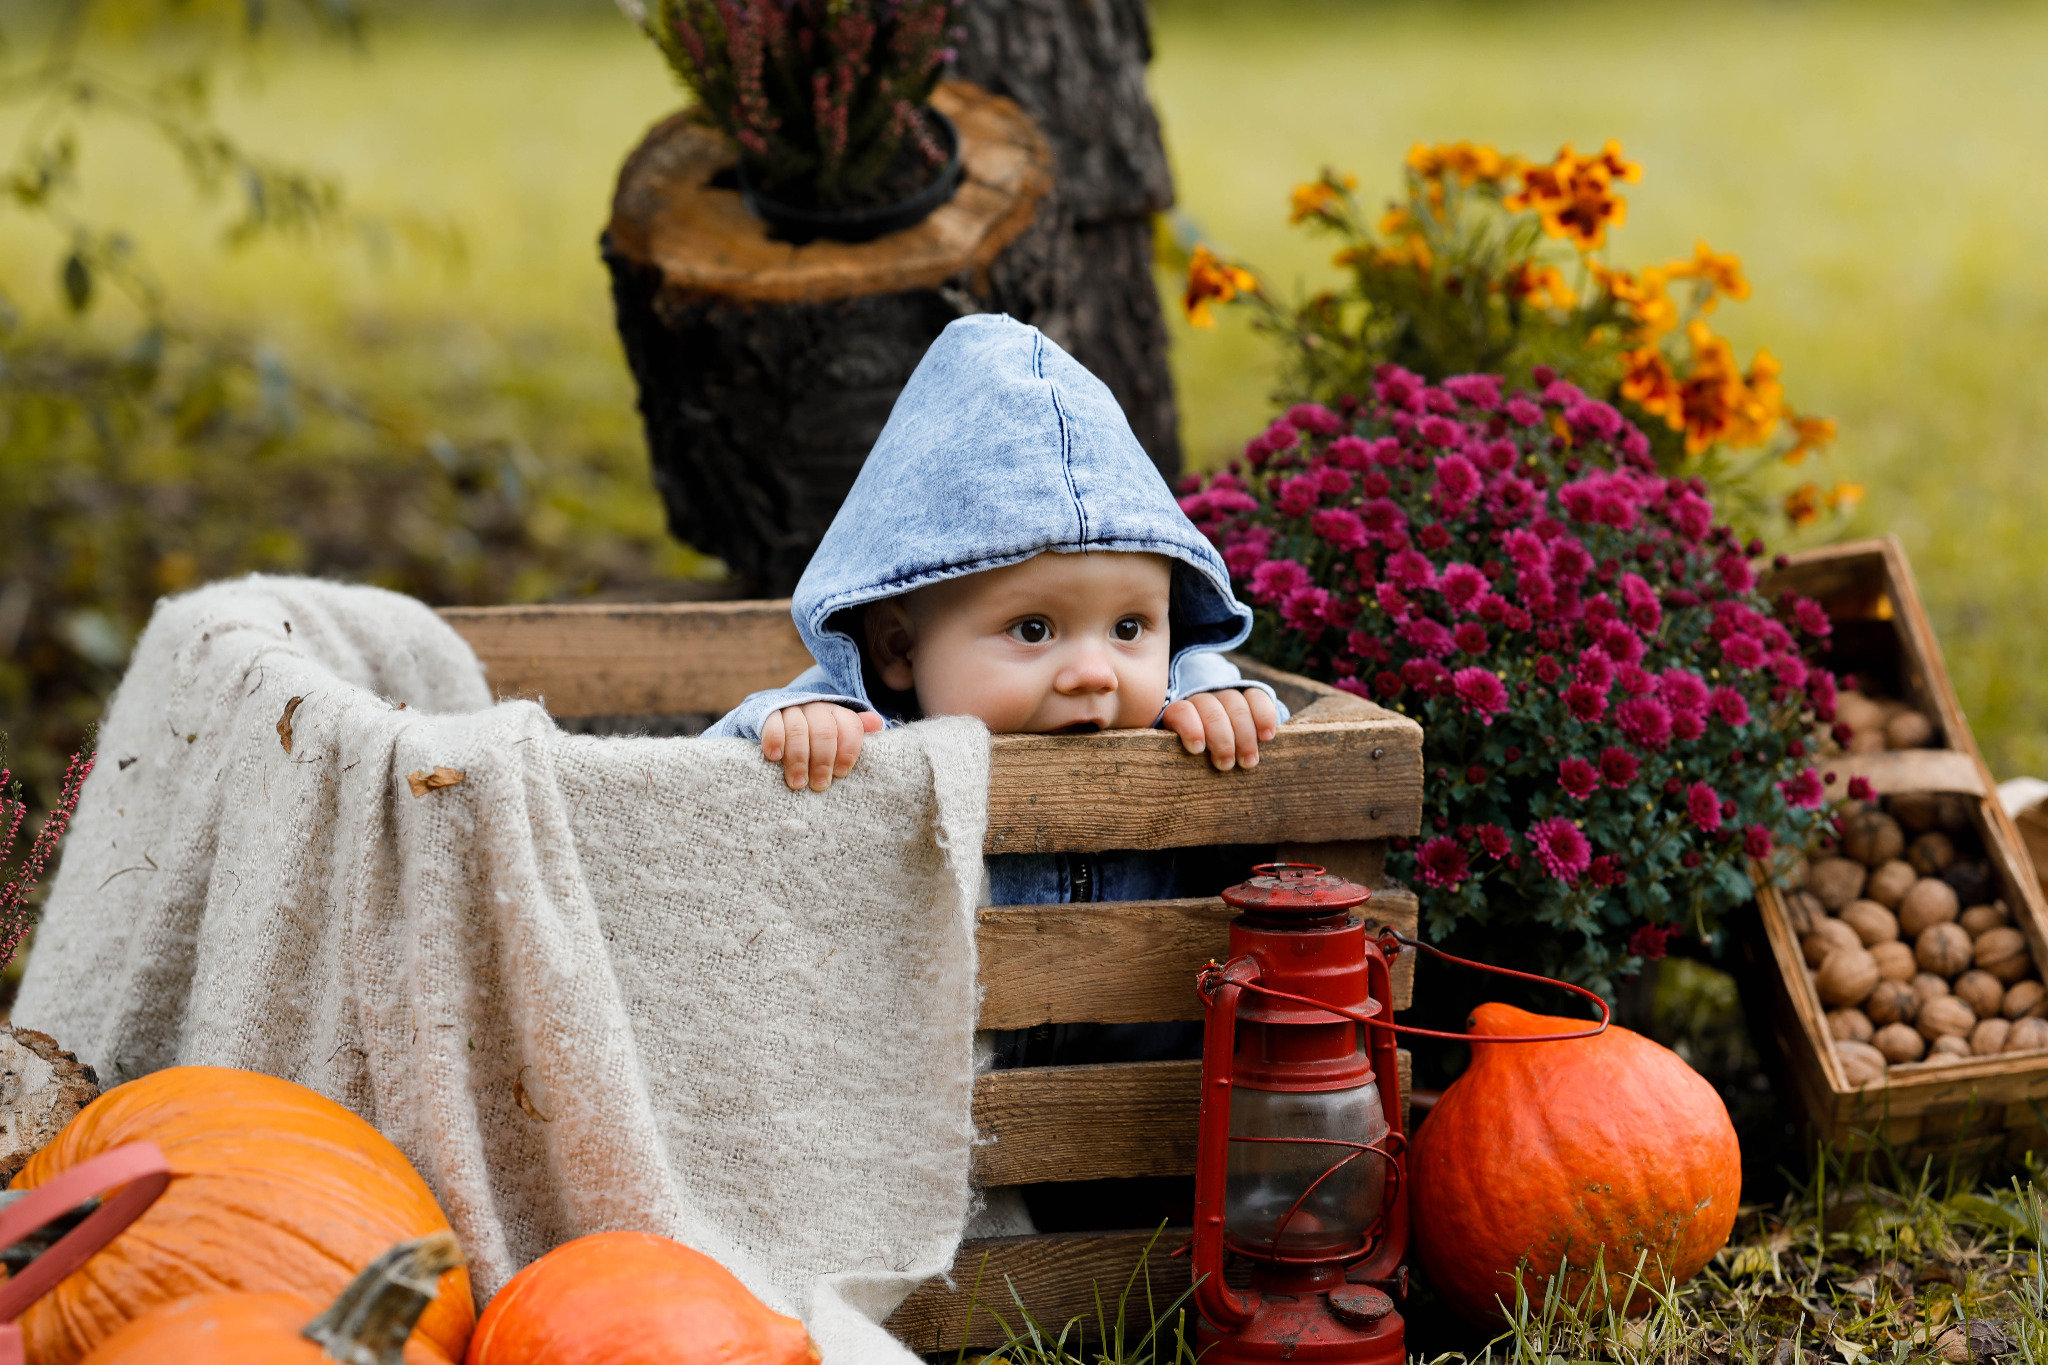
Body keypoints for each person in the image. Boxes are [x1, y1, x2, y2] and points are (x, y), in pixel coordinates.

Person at [706, 312, 1284, 1043]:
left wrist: (1218, 694)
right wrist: (792, 725)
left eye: (1130, 628)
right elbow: (711, 791)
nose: (1092, 672)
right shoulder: (854, 732)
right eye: (1034, 629)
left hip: (1151, 1123)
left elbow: (1272, 777)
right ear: (898, 647)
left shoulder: (1179, 716)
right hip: (934, 1133)